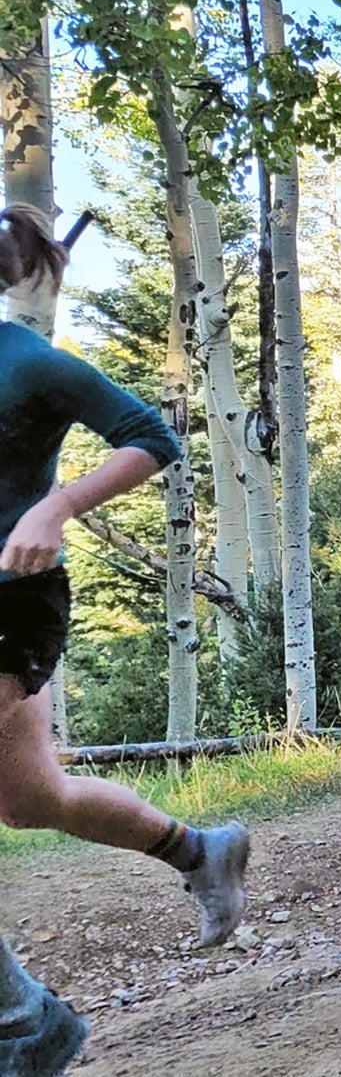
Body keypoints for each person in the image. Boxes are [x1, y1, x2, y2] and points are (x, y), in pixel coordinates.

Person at [0, 206, 250, 1028]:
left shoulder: (27, 362)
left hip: (11, 596)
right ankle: (198, 851)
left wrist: (56, 508)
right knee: (33, 798)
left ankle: (23, 1023)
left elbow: (149, 435)